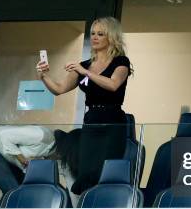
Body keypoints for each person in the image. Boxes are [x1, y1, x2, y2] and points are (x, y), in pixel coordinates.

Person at [37, 17, 132, 194]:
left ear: (111, 37)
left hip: (113, 122)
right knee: (87, 170)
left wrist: (85, 72)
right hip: (91, 121)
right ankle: (88, 208)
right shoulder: (83, 66)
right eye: (93, 34)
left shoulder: (121, 62)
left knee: (107, 170)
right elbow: (59, 89)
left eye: (100, 34)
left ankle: (107, 205)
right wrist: (43, 76)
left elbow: (113, 85)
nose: (95, 38)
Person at [0, 126, 79, 195]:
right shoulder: (42, 135)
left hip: (10, 160)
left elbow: (70, 184)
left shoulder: (62, 158)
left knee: (55, 191)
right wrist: (22, 159)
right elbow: (5, 136)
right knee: (13, 190)